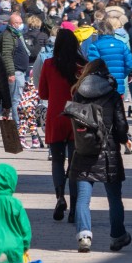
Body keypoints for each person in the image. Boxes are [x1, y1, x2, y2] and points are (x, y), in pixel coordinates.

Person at [68, 58, 132, 253]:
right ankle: (117, 236)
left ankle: (84, 236)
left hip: (84, 149)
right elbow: (121, 125)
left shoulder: (78, 94)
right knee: (114, 197)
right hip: (108, 150)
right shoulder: (112, 95)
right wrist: (123, 139)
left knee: (82, 197)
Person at [38, 28, 82, 223]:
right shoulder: (82, 65)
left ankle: (59, 197)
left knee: (57, 161)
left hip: (56, 115)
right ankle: (74, 209)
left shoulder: (49, 64)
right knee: (74, 165)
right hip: (76, 116)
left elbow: (43, 94)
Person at [83, 16, 132, 100]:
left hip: (101, 85)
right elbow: (129, 64)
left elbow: (93, 65)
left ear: (99, 32)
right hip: (118, 84)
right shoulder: (121, 44)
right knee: (118, 110)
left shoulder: (95, 45)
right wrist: (122, 75)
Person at [0, 12, 31, 124]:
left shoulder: (16, 34)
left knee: (15, 99)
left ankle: (15, 123)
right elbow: (6, 54)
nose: (21, 25)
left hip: (20, 72)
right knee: (16, 100)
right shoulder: (8, 35)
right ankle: (18, 125)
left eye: (21, 22)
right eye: (19, 23)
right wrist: (11, 73)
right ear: (13, 23)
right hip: (15, 72)